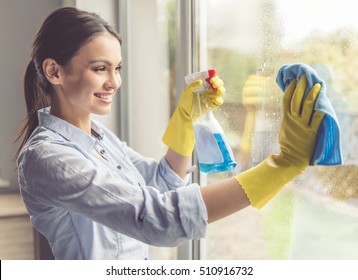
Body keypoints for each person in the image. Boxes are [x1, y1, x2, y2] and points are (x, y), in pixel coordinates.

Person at [16, 7, 324, 260]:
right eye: (100, 69)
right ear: (54, 71)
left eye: (118, 68)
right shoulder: (49, 158)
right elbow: (159, 219)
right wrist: (281, 165)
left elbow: (161, 182)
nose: (114, 82)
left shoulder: (99, 137)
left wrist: (186, 117)